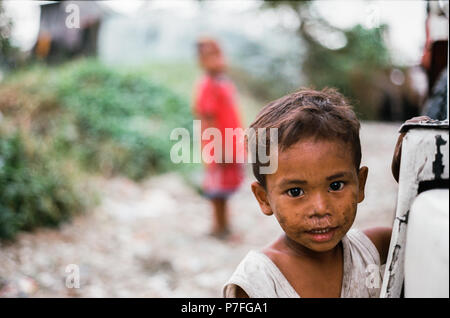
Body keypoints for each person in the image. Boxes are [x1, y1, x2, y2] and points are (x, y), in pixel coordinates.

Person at [223, 88, 392, 297]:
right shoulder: (257, 282)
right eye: (295, 191)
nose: (320, 208)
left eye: (336, 186)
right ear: (263, 198)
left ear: (360, 184)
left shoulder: (376, 249)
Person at [193, 37, 244, 239]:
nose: (217, 60)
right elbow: (207, 117)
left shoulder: (224, 83)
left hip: (231, 142)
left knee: (226, 188)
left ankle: (225, 225)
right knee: (217, 189)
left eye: (219, 54)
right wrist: (218, 147)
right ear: (201, 60)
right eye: (210, 56)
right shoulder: (207, 85)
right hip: (219, 145)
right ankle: (219, 227)